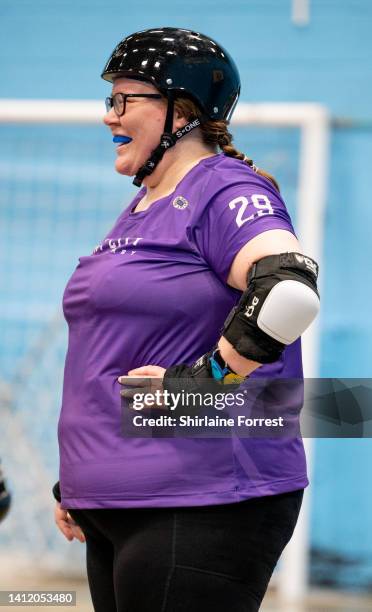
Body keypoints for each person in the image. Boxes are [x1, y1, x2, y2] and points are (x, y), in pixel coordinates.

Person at [54, 27, 320, 612]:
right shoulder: (144, 206)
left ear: (182, 111)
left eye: (125, 99)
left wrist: (208, 381)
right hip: (118, 504)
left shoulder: (223, 190)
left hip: (203, 497)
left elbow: (289, 291)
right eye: (110, 100)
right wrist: (81, 476)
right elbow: (120, 351)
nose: (110, 116)